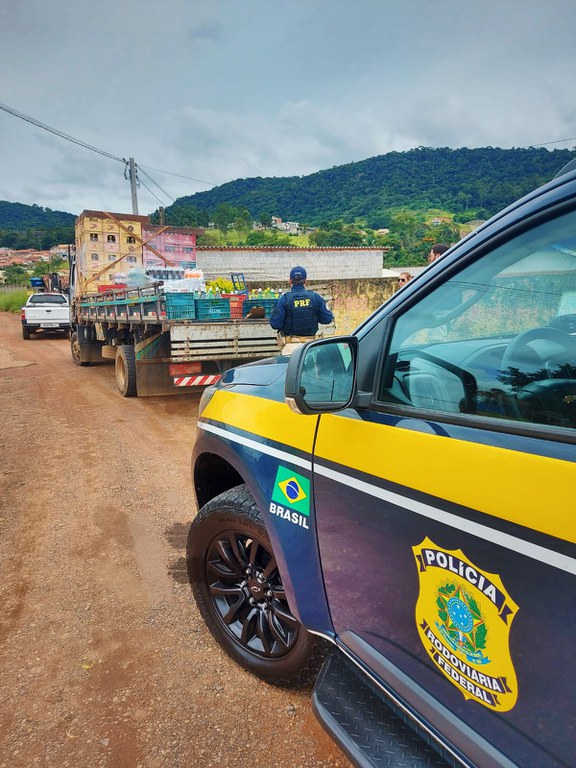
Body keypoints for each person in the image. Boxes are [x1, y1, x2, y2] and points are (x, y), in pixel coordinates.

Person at [269, 265, 333, 346]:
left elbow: (275, 324)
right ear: (306, 281)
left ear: (290, 281)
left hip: (290, 345)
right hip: (310, 346)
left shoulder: (284, 299)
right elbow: (327, 319)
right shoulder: (315, 297)